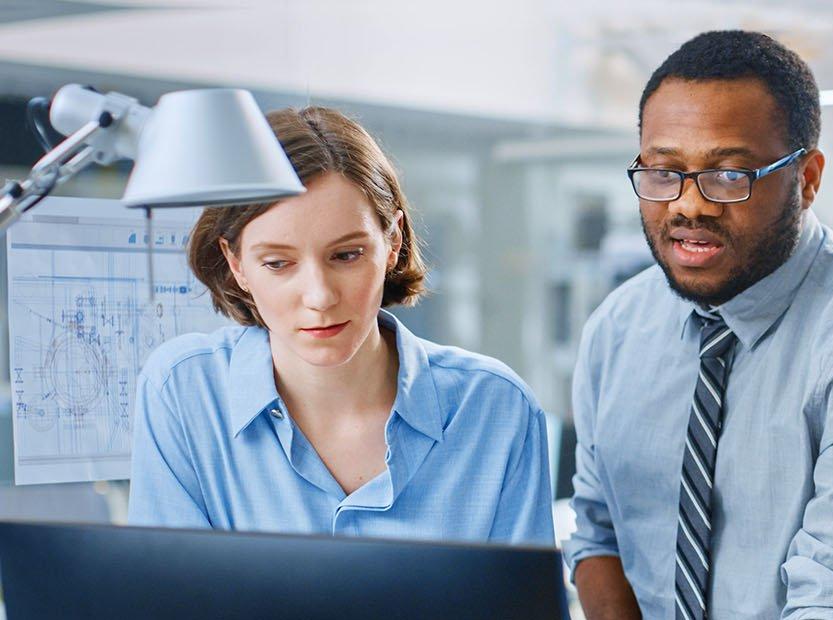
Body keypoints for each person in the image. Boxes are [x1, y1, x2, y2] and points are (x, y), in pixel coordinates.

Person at [565, 30, 833, 619]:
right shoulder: (618, 327)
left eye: (728, 175)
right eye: (664, 171)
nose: (688, 205)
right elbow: (598, 534)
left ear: (809, 178)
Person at [128, 107, 554, 545]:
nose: (319, 296)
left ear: (393, 243)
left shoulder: (494, 406)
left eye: (346, 255)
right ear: (237, 264)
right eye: (278, 263)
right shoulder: (183, 390)